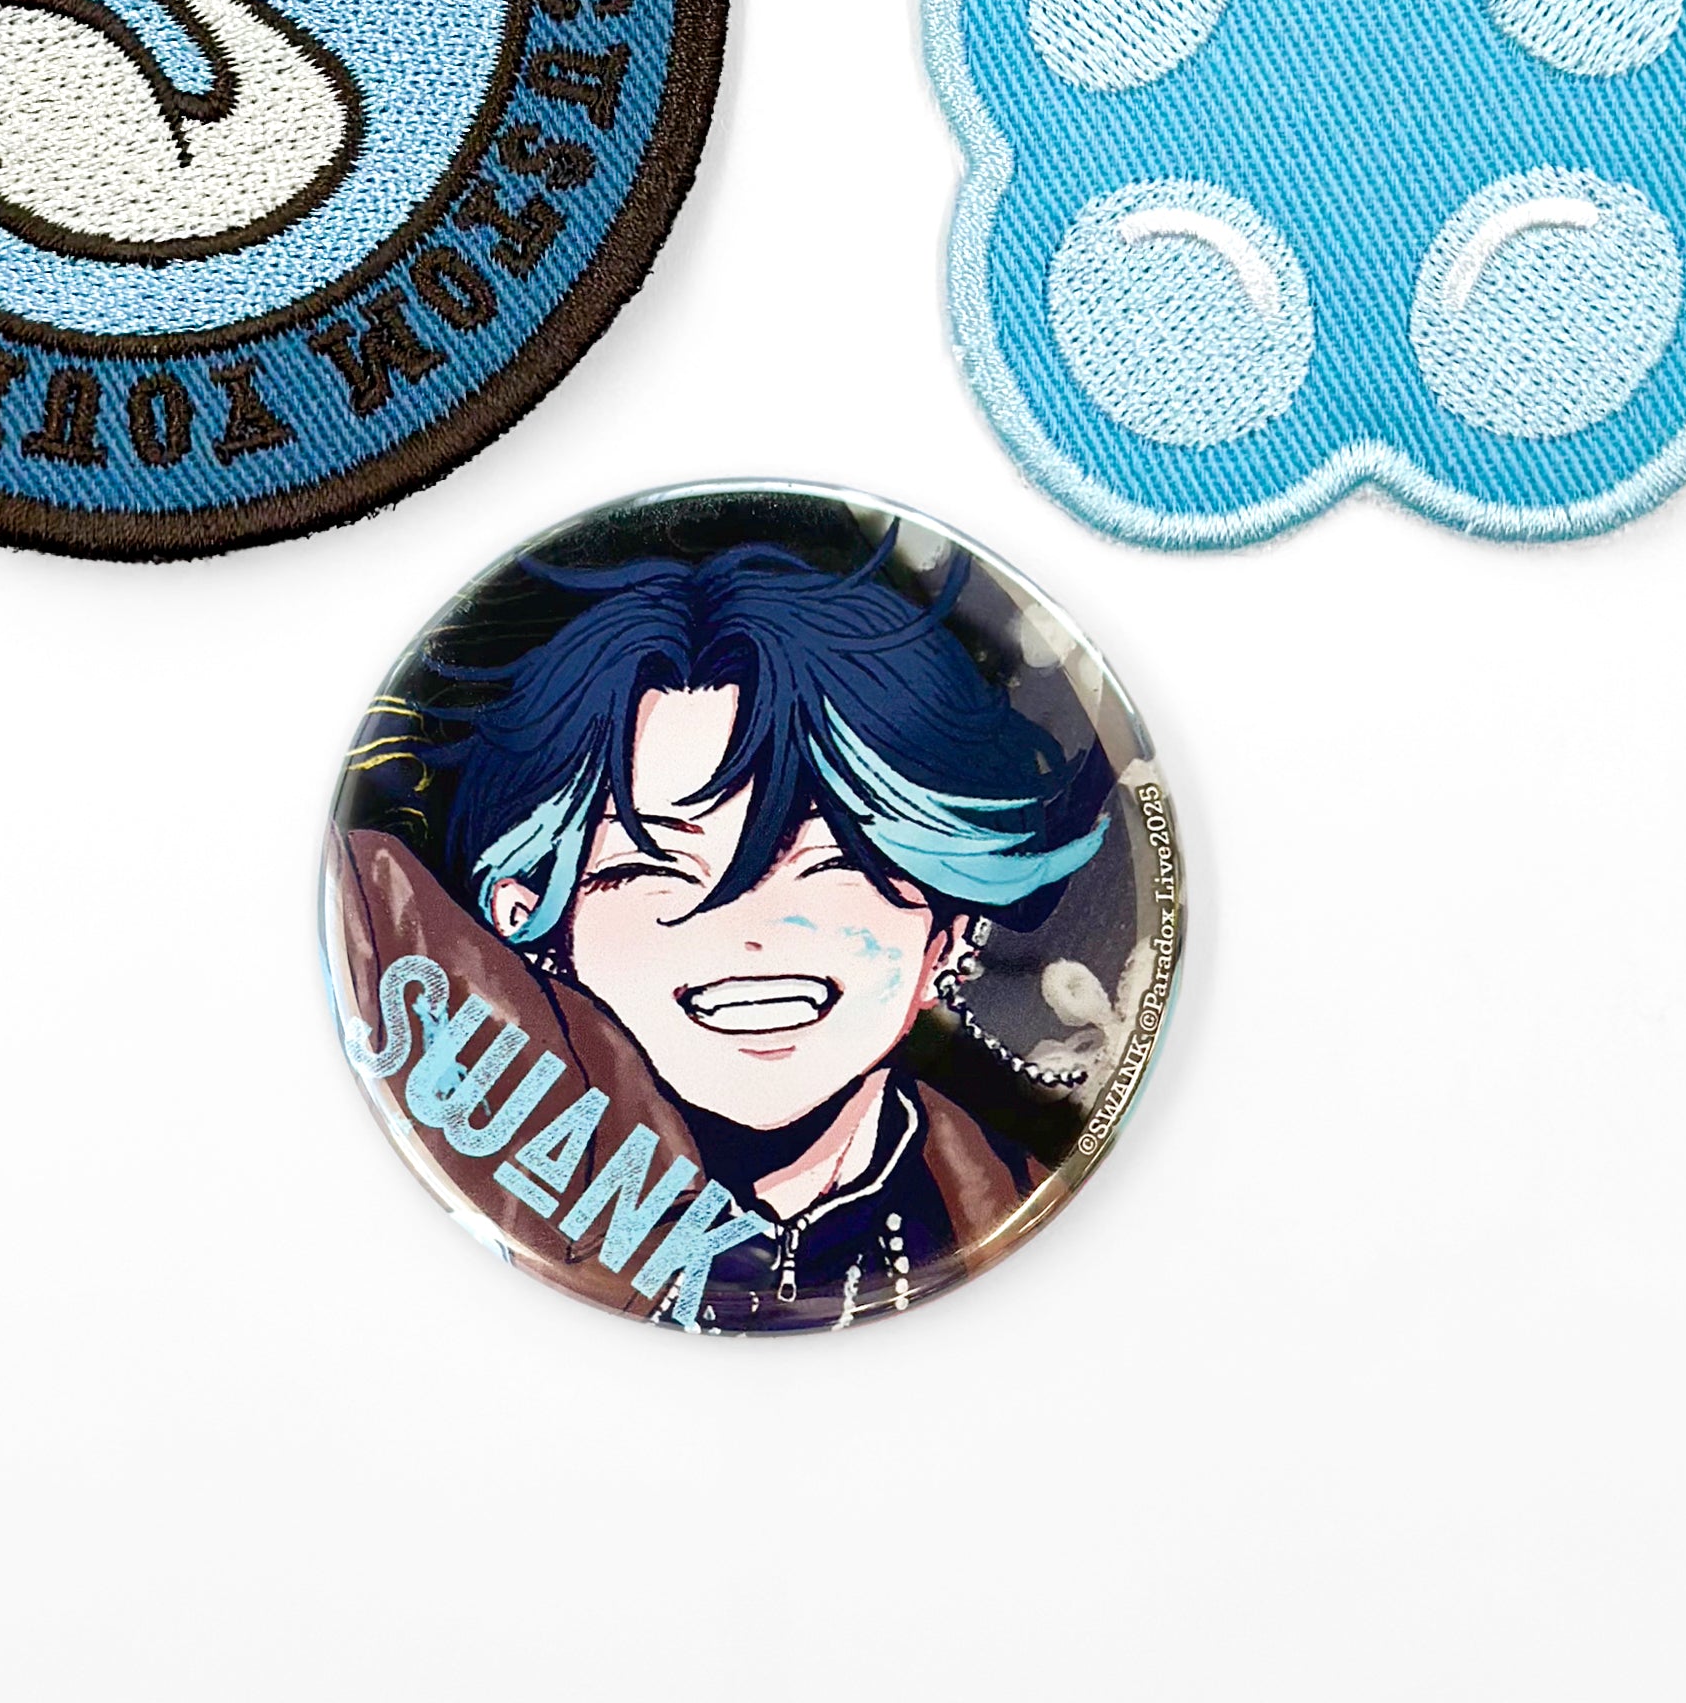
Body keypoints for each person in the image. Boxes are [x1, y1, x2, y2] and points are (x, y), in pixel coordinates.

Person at [328, 538, 1113, 1331]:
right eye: (651, 866)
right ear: (530, 921)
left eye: (834, 861)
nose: (752, 931)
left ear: (947, 928)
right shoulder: (467, 1101)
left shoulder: (1011, 1197)